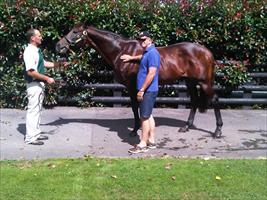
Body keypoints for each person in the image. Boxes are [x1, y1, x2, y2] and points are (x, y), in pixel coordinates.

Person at [23, 28, 67, 145]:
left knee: (37, 110)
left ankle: (35, 134)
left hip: (38, 85)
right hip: (34, 85)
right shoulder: (29, 51)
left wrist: (59, 65)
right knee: (33, 111)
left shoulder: (36, 51)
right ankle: (30, 138)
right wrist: (47, 78)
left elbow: (44, 63)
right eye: (39, 35)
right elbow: (31, 72)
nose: (41, 37)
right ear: (33, 38)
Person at [120, 31, 161, 154]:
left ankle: (143, 144)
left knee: (143, 117)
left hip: (148, 90)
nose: (141, 42)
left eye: (144, 39)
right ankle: (152, 141)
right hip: (149, 90)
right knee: (148, 115)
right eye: (139, 40)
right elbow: (142, 58)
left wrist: (142, 90)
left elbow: (152, 73)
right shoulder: (147, 52)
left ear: (150, 40)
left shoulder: (153, 53)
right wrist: (131, 58)